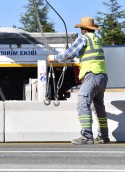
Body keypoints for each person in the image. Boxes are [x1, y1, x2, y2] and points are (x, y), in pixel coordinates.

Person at [47, 17, 110, 145]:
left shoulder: (83, 38)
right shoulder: (96, 39)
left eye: (81, 28)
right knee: (98, 107)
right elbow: (87, 56)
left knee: (82, 101)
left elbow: (69, 54)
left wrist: (54, 58)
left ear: (83, 29)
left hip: (92, 75)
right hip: (101, 76)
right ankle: (103, 136)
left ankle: (87, 136)